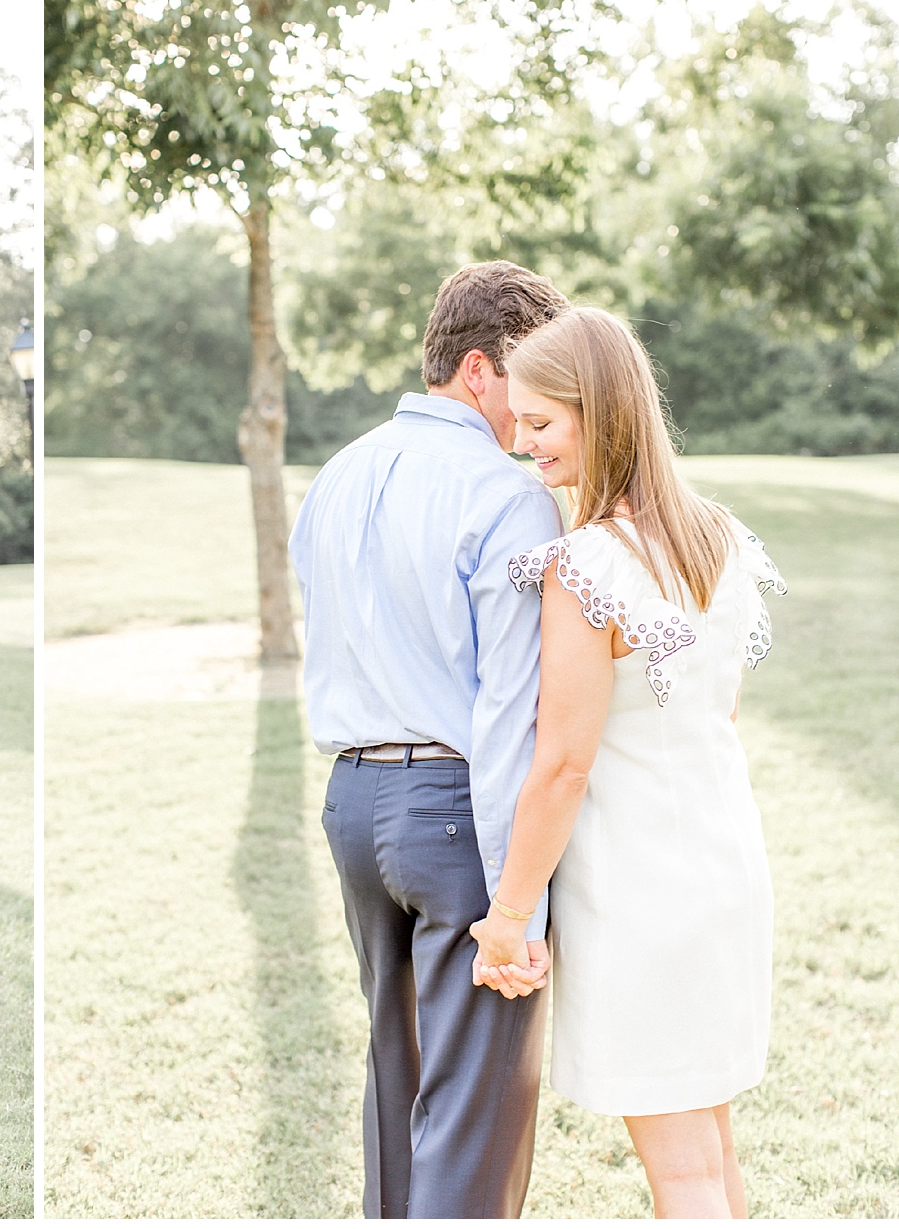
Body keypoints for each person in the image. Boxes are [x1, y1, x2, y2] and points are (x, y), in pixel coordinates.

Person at [469, 307, 785, 1218]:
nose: (521, 442)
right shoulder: (718, 536)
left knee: (683, 1175)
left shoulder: (586, 566)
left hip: (642, 891)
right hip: (726, 869)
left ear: (599, 412)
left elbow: (563, 766)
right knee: (711, 1151)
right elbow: (718, 712)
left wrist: (508, 916)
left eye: (540, 422)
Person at [287, 260, 571, 1218]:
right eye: (531, 376)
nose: (537, 405)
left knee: (396, 1081)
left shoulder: (337, 473)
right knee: (472, 1115)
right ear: (481, 369)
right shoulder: (508, 495)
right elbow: (509, 712)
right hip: (457, 810)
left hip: (351, 804)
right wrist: (518, 909)